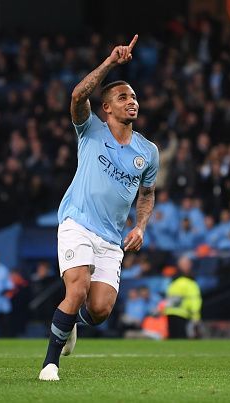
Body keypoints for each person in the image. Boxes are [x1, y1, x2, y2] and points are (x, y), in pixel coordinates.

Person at [39, 35, 159, 381]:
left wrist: (140, 227)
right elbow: (78, 95)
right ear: (106, 107)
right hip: (77, 222)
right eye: (123, 97)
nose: (131, 101)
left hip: (111, 237)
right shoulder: (90, 129)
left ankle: (72, 321)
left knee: (101, 309)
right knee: (76, 288)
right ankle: (50, 364)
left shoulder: (147, 151)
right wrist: (109, 63)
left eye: (134, 96)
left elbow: (147, 194)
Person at [164, 255, 202, 339]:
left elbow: (194, 300)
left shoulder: (174, 282)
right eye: (185, 264)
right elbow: (195, 300)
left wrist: (195, 316)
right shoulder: (188, 282)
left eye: (188, 263)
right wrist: (196, 316)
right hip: (178, 313)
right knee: (180, 340)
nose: (187, 265)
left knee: (175, 339)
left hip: (176, 313)